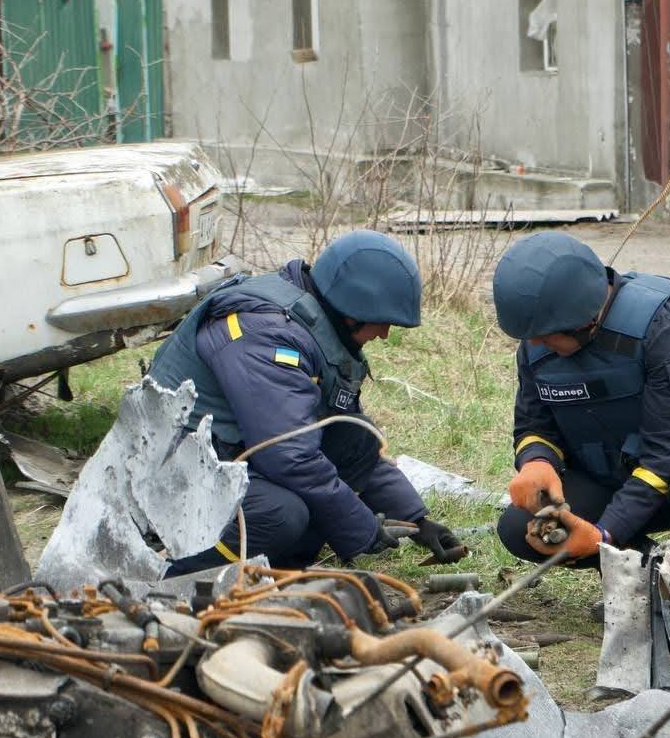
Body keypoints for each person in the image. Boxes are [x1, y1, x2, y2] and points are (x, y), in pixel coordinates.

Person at [148, 229, 459, 575]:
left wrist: (417, 520)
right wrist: (362, 529)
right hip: (174, 474)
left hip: (225, 454)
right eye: (382, 322)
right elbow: (290, 457)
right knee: (280, 514)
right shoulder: (266, 335)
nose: (385, 334)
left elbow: (342, 435)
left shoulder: (308, 323)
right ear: (351, 310)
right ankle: (178, 572)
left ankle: (279, 565)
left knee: (356, 435)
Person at [492, 232, 670, 566]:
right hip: (614, 475)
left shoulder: (665, 327)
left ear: (584, 320)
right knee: (520, 528)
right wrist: (537, 461)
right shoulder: (541, 338)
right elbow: (535, 424)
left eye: (544, 338)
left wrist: (605, 534)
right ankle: (647, 572)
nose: (534, 346)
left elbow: (667, 452)